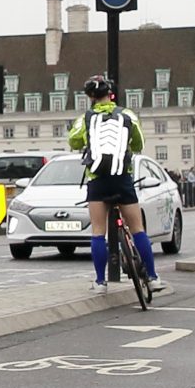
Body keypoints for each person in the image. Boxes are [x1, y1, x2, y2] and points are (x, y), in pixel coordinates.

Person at [67, 76, 165, 294]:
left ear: (90, 97)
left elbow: (73, 140)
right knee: (138, 230)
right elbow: (139, 142)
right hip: (122, 178)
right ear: (110, 92)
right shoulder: (127, 115)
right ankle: (152, 277)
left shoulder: (85, 118)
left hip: (97, 180)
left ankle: (101, 282)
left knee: (98, 232)